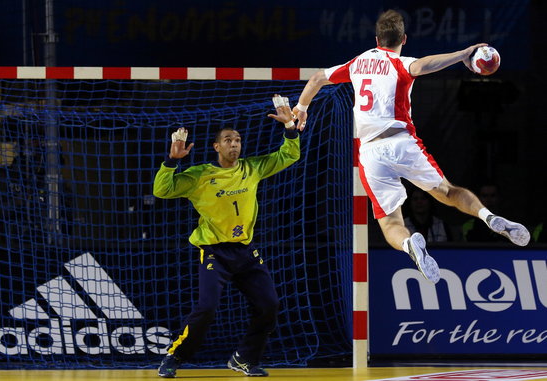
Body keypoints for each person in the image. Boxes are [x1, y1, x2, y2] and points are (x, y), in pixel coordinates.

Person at [292, 9, 530, 284]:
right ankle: (488, 217)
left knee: (391, 222)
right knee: (448, 192)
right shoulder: (400, 63)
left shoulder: (358, 62)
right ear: (403, 39)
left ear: (376, 38)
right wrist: (463, 54)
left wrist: (301, 107)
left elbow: (317, 78)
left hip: (370, 153)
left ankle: (409, 245)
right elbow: (423, 65)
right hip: (402, 142)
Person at [153, 95, 300, 378]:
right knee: (206, 309)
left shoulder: (252, 168)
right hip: (214, 253)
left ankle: (244, 358)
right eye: (229, 140)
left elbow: (289, 155)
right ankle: (175, 356)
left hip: (245, 252)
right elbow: (162, 190)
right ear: (217, 146)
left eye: (238, 140)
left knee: (269, 305)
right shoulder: (199, 175)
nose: (235, 144)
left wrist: (290, 130)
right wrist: (171, 161)